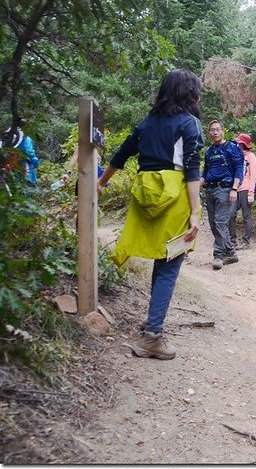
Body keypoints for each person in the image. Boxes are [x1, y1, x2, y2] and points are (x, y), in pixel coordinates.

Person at [97, 69, 204, 359]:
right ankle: (153, 336)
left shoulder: (147, 123)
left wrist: (101, 183)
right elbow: (192, 170)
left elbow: (121, 155)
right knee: (169, 263)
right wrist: (195, 213)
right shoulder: (189, 124)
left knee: (161, 257)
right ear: (189, 94)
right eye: (196, 91)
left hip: (145, 191)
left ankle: (152, 322)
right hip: (175, 198)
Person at [200, 120, 244, 270]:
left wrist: (234, 189)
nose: (215, 132)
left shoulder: (232, 147)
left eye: (218, 129)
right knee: (213, 224)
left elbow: (239, 168)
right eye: (212, 130)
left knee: (220, 222)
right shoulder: (209, 151)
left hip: (225, 189)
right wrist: (193, 186)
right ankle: (231, 252)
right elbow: (205, 173)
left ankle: (218, 255)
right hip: (210, 190)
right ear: (209, 132)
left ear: (223, 130)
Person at [228, 133, 256, 250]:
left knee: (246, 216)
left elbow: (253, 175)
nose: (237, 144)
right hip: (235, 189)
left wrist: (251, 192)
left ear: (243, 144)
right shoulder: (235, 156)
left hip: (246, 189)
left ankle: (246, 241)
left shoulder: (251, 157)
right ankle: (232, 241)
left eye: (239, 143)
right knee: (231, 215)